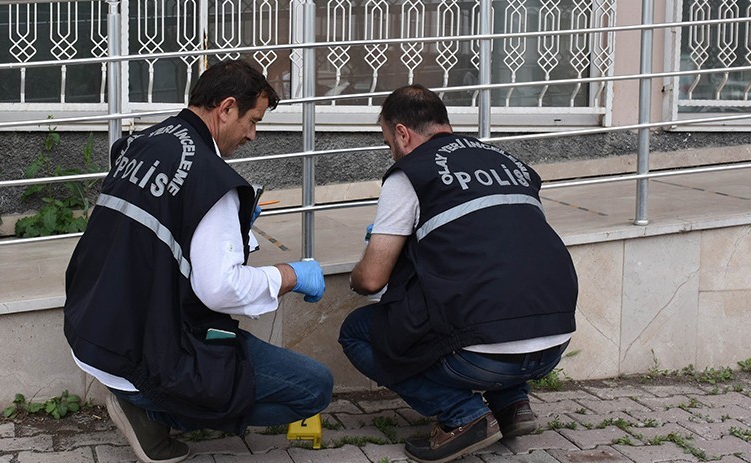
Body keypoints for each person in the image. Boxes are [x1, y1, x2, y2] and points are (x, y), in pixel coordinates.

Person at [64, 59, 333, 463]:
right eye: (252, 121)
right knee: (314, 387)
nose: (253, 135)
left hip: (91, 332)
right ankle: (151, 410)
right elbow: (221, 289)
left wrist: (233, 230)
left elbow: (159, 239)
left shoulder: (143, 143)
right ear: (226, 108)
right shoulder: (212, 181)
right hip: (141, 350)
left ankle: (144, 400)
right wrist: (290, 275)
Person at [339, 84, 577, 463]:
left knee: (357, 332)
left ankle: (463, 416)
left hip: (480, 356)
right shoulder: (511, 164)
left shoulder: (410, 174)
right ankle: (513, 404)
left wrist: (358, 271)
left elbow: (371, 280)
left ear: (402, 133)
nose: (391, 151)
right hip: (553, 342)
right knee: (491, 297)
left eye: (388, 142)